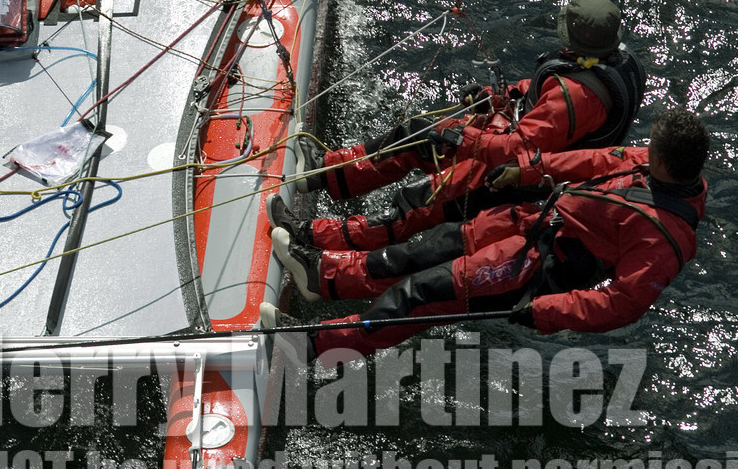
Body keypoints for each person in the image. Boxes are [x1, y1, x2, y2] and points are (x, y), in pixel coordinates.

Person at [263, 109, 710, 356]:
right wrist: (527, 170)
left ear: (664, 161)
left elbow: (621, 304)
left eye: (650, 147)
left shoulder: (664, 241)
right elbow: (593, 163)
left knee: (421, 296)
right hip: (528, 224)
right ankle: (322, 275)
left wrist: (545, 310)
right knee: (427, 249)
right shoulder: (645, 164)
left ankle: (312, 345)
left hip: (534, 271)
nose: (642, 149)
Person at [273, 0, 647, 253]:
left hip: (520, 177)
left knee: (415, 205)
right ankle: (321, 173)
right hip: (515, 145)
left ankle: (311, 239)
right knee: (416, 135)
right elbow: (539, 95)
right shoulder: (610, 64)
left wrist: (460, 137)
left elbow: (518, 150)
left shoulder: (579, 97)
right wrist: (499, 96)